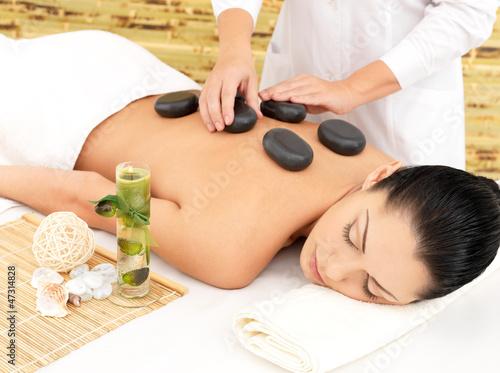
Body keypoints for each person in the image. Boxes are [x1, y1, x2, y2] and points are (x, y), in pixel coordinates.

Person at [1, 30, 499, 305]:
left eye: (372, 289)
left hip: (127, 64)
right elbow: (86, 195)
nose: (336, 270)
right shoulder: (229, 254)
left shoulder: (382, 161)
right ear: (381, 179)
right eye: (354, 236)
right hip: (49, 113)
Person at [202, 0, 499, 168]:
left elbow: (466, 11)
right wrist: (234, 46)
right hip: (301, 68)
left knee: (396, 227)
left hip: (403, 106)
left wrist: (351, 88)